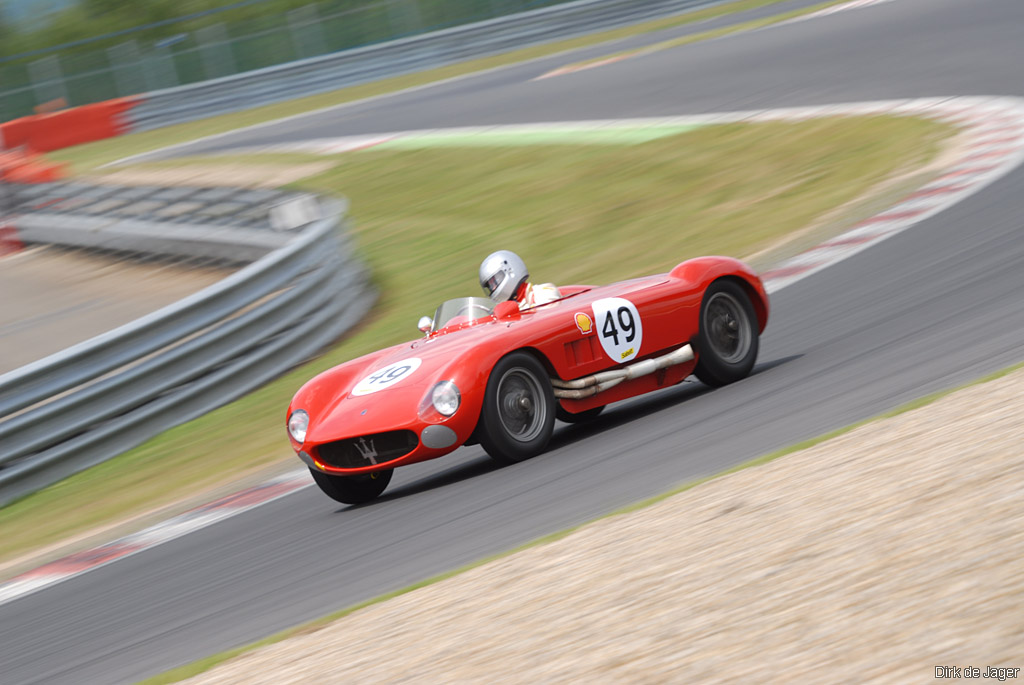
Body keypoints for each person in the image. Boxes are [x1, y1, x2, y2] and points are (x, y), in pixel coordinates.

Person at [479, 250, 561, 309]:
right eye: (490, 286)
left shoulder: (545, 292)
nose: (492, 288)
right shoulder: (502, 311)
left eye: (494, 282)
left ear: (509, 270)